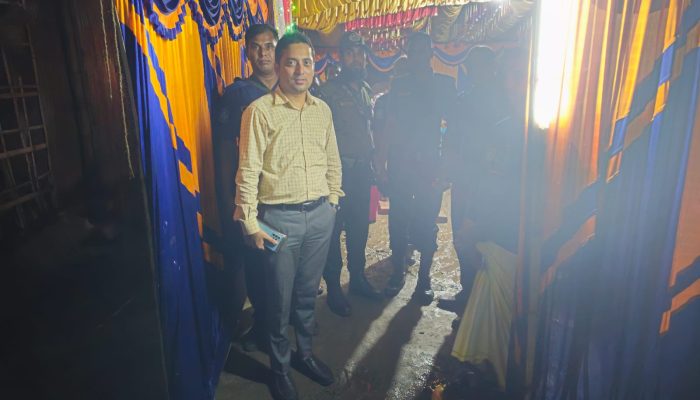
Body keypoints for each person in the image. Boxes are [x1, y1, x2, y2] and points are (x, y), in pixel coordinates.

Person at [234, 31, 342, 400]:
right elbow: (248, 170)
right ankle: (280, 370)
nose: (300, 70)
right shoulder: (259, 111)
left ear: (314, 66)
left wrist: (333, 201)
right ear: (279, 66)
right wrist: (250, 222)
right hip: (278, 221)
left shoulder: (322, 110)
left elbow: (332, 160)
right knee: (278, 301)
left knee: (307, 295)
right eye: (291, 63)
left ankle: (305, 355)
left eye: (306, 62)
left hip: (320, 216)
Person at [375, 33, 457, 303]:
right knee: (398, 220)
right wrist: (381, 161)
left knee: (426, 222)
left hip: (430, 165)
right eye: (413, 52)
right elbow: (390, 124)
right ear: (408, 56)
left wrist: (447, 167)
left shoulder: (444, 85)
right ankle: (398, 273)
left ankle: (424, 279)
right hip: (401, 163)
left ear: (431, 54)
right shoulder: (399, 84)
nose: (418, 57)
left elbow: (453, 129)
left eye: (423, 51)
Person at [212, 24, 278, 352]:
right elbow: (226, 148)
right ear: (247, 51)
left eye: (269, 46)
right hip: (255, 196)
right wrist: (229, 196)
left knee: (290, 262)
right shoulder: (237, 95)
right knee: (258, 263)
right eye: (256, 46)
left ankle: (291, 319)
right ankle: (263, 325)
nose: (263, 53)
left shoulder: (295, 85)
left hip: (290, 193)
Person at [439, 46, 510, 315]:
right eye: (473, 66)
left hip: (491, 183)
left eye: (482, 65)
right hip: (465, 179)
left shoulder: (506, 100)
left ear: (493, 68)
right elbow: (452, 138)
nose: (477, 71)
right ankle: (467, 293)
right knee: (461, 236)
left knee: (482, 239)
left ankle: (480, 302)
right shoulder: (464, 100)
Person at [317, 32, 382, 317]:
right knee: (333, 231)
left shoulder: (365, 89)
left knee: (359, 228)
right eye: (350, 53)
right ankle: (333, 286)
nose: (357, 58)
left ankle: (357, 278)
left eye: (360, 53)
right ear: (341, 57)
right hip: (338, 173)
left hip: (362, 172)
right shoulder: (327, 92)